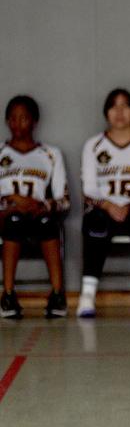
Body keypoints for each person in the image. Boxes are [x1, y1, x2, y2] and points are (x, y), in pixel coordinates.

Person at [77, 88, 130, 318]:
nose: (120, 111)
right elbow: (89, 188)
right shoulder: (93, 145)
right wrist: (109, 205)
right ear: (106, 112)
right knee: (95, 223)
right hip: (104, 209)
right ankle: (87, 295)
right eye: (114, 105)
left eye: (125, 105)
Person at [0, 95, 69, 320]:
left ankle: (58, 294)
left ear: (34, 121)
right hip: (8, 216)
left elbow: (64, 200)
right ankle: (8, 294)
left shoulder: (50, 154)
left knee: (48, 223)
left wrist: (43, 205)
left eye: (23, 118)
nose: (17, 124)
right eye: (12, 119)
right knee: (13, 222)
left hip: (38, 214)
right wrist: (11, 201)